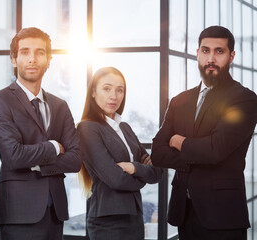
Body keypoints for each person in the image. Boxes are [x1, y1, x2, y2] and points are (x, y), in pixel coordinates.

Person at [151, 25, 257, 240]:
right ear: (197, 53)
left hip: (223, 217)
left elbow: (215, 150)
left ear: (231, 56)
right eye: (205, 50)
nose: (211, 58)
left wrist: (179, 141)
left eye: (219, 51)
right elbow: (158, 152)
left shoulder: (244, 99)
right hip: (184, 212)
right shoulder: (179, 100)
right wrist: (198, 151)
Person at [0, 27, 81, 240]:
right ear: (14, 59)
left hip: (55, 211)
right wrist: (54, 147)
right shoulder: (0, 102)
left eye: (40, 53)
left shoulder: (60, 106)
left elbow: (75, 160)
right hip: (18, 212)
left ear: (48, 60)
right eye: (25, 52)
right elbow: (13, 156)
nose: (32, 59)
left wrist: (37, 164)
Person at [77, 67, 163, 240]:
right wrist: (141, 176)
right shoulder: (87, 128)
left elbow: (157, 172)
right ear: (93, 92)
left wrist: (133, 168)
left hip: (134, 218)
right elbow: (115, 178)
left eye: (119, 90)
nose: (113, 96)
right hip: (108, 222)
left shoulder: (125, 128)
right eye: (107, 88)